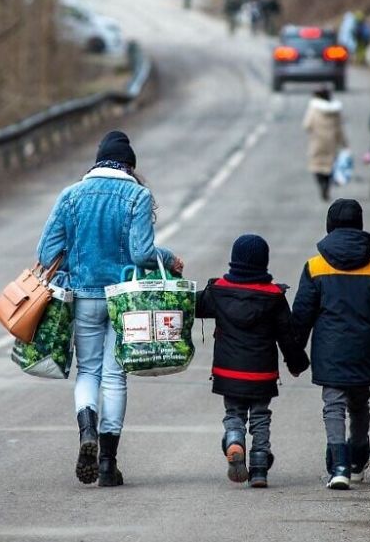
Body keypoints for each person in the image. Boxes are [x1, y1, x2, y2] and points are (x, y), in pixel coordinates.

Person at [36, 130, 184, 487]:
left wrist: (75, 264)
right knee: (115, 376)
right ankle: (107, 463)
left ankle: (86, 430)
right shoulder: (137, 195)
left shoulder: (70, 196)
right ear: (130, 166)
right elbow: (143, 255)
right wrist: (168, 259)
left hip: (83, 296)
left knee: (87, 371)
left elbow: (45, 254)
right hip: (125, 301)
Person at [290, 199, 370, 490]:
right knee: (360, 403)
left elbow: (302, 315)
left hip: (330, 349)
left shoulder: (315, 266)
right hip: (365, 349)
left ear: (329, 225)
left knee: (334, 405)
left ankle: (338, 464)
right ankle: (358, 455)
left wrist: (294, 353)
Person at [196, 234, 309, 488]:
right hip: (262, 374)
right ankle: (259, 468)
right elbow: (287, 336)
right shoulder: (274, 296)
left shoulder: (218, 291)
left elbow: (192, 305)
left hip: (228, 372)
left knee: (234, 413)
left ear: (233, 261)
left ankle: (235, 439)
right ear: (264, 263)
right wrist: (297, 363)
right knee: (260, 417)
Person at [301, 87, 347, 201]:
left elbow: (306, 125)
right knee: (330, 166)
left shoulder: (313, 109)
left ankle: (321, 185)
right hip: (331, 143)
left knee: (317, 166)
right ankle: (327, 186)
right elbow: (339, 128)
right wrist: (344, 143)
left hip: (317, 142)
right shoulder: (335, 111)